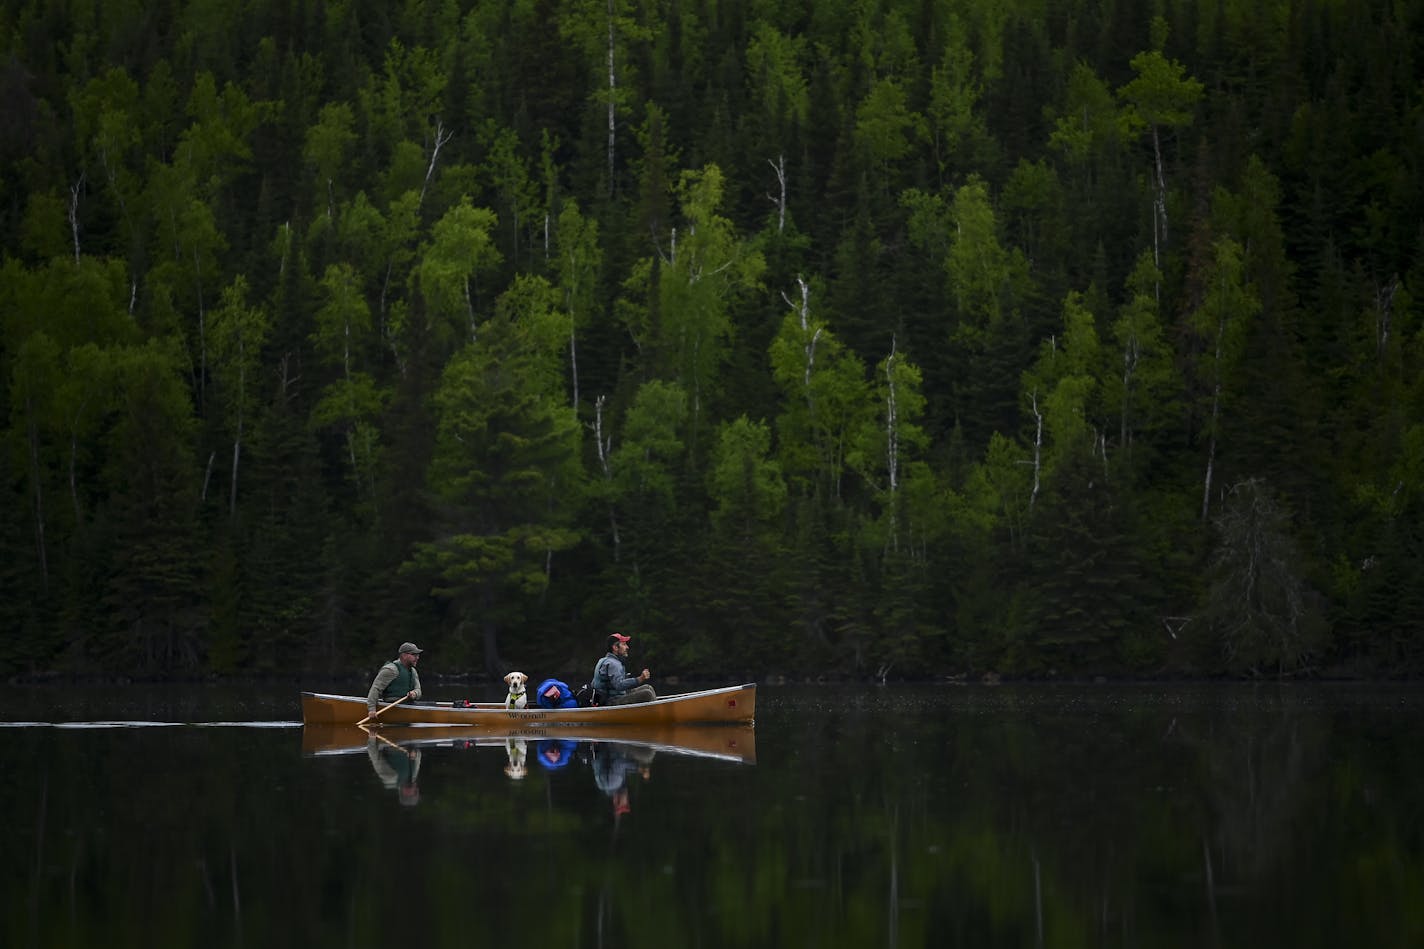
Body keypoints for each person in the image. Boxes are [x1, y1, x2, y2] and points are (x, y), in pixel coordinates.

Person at [592, 633, 656, 705]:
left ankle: (655, 709)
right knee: (647, 694)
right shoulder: (613, 664)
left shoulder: (604, 660)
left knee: (648, 687)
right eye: (624, 644)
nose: (627, 647)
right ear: (615, 647)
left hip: (611, 697)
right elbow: (619, 685)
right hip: (611, 701)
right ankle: (656, 712)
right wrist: (639, 679)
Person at [366, 641, 424, 715]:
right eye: (414, 655)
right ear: (404, 655)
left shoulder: (413, 671)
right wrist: (371, 709)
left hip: (408, 704)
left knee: (431, 705)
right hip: (392, 705)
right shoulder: (390, 670)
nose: (417, 658)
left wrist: (414, 694)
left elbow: (418, 690)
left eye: (418, 655)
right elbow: (376, 688)